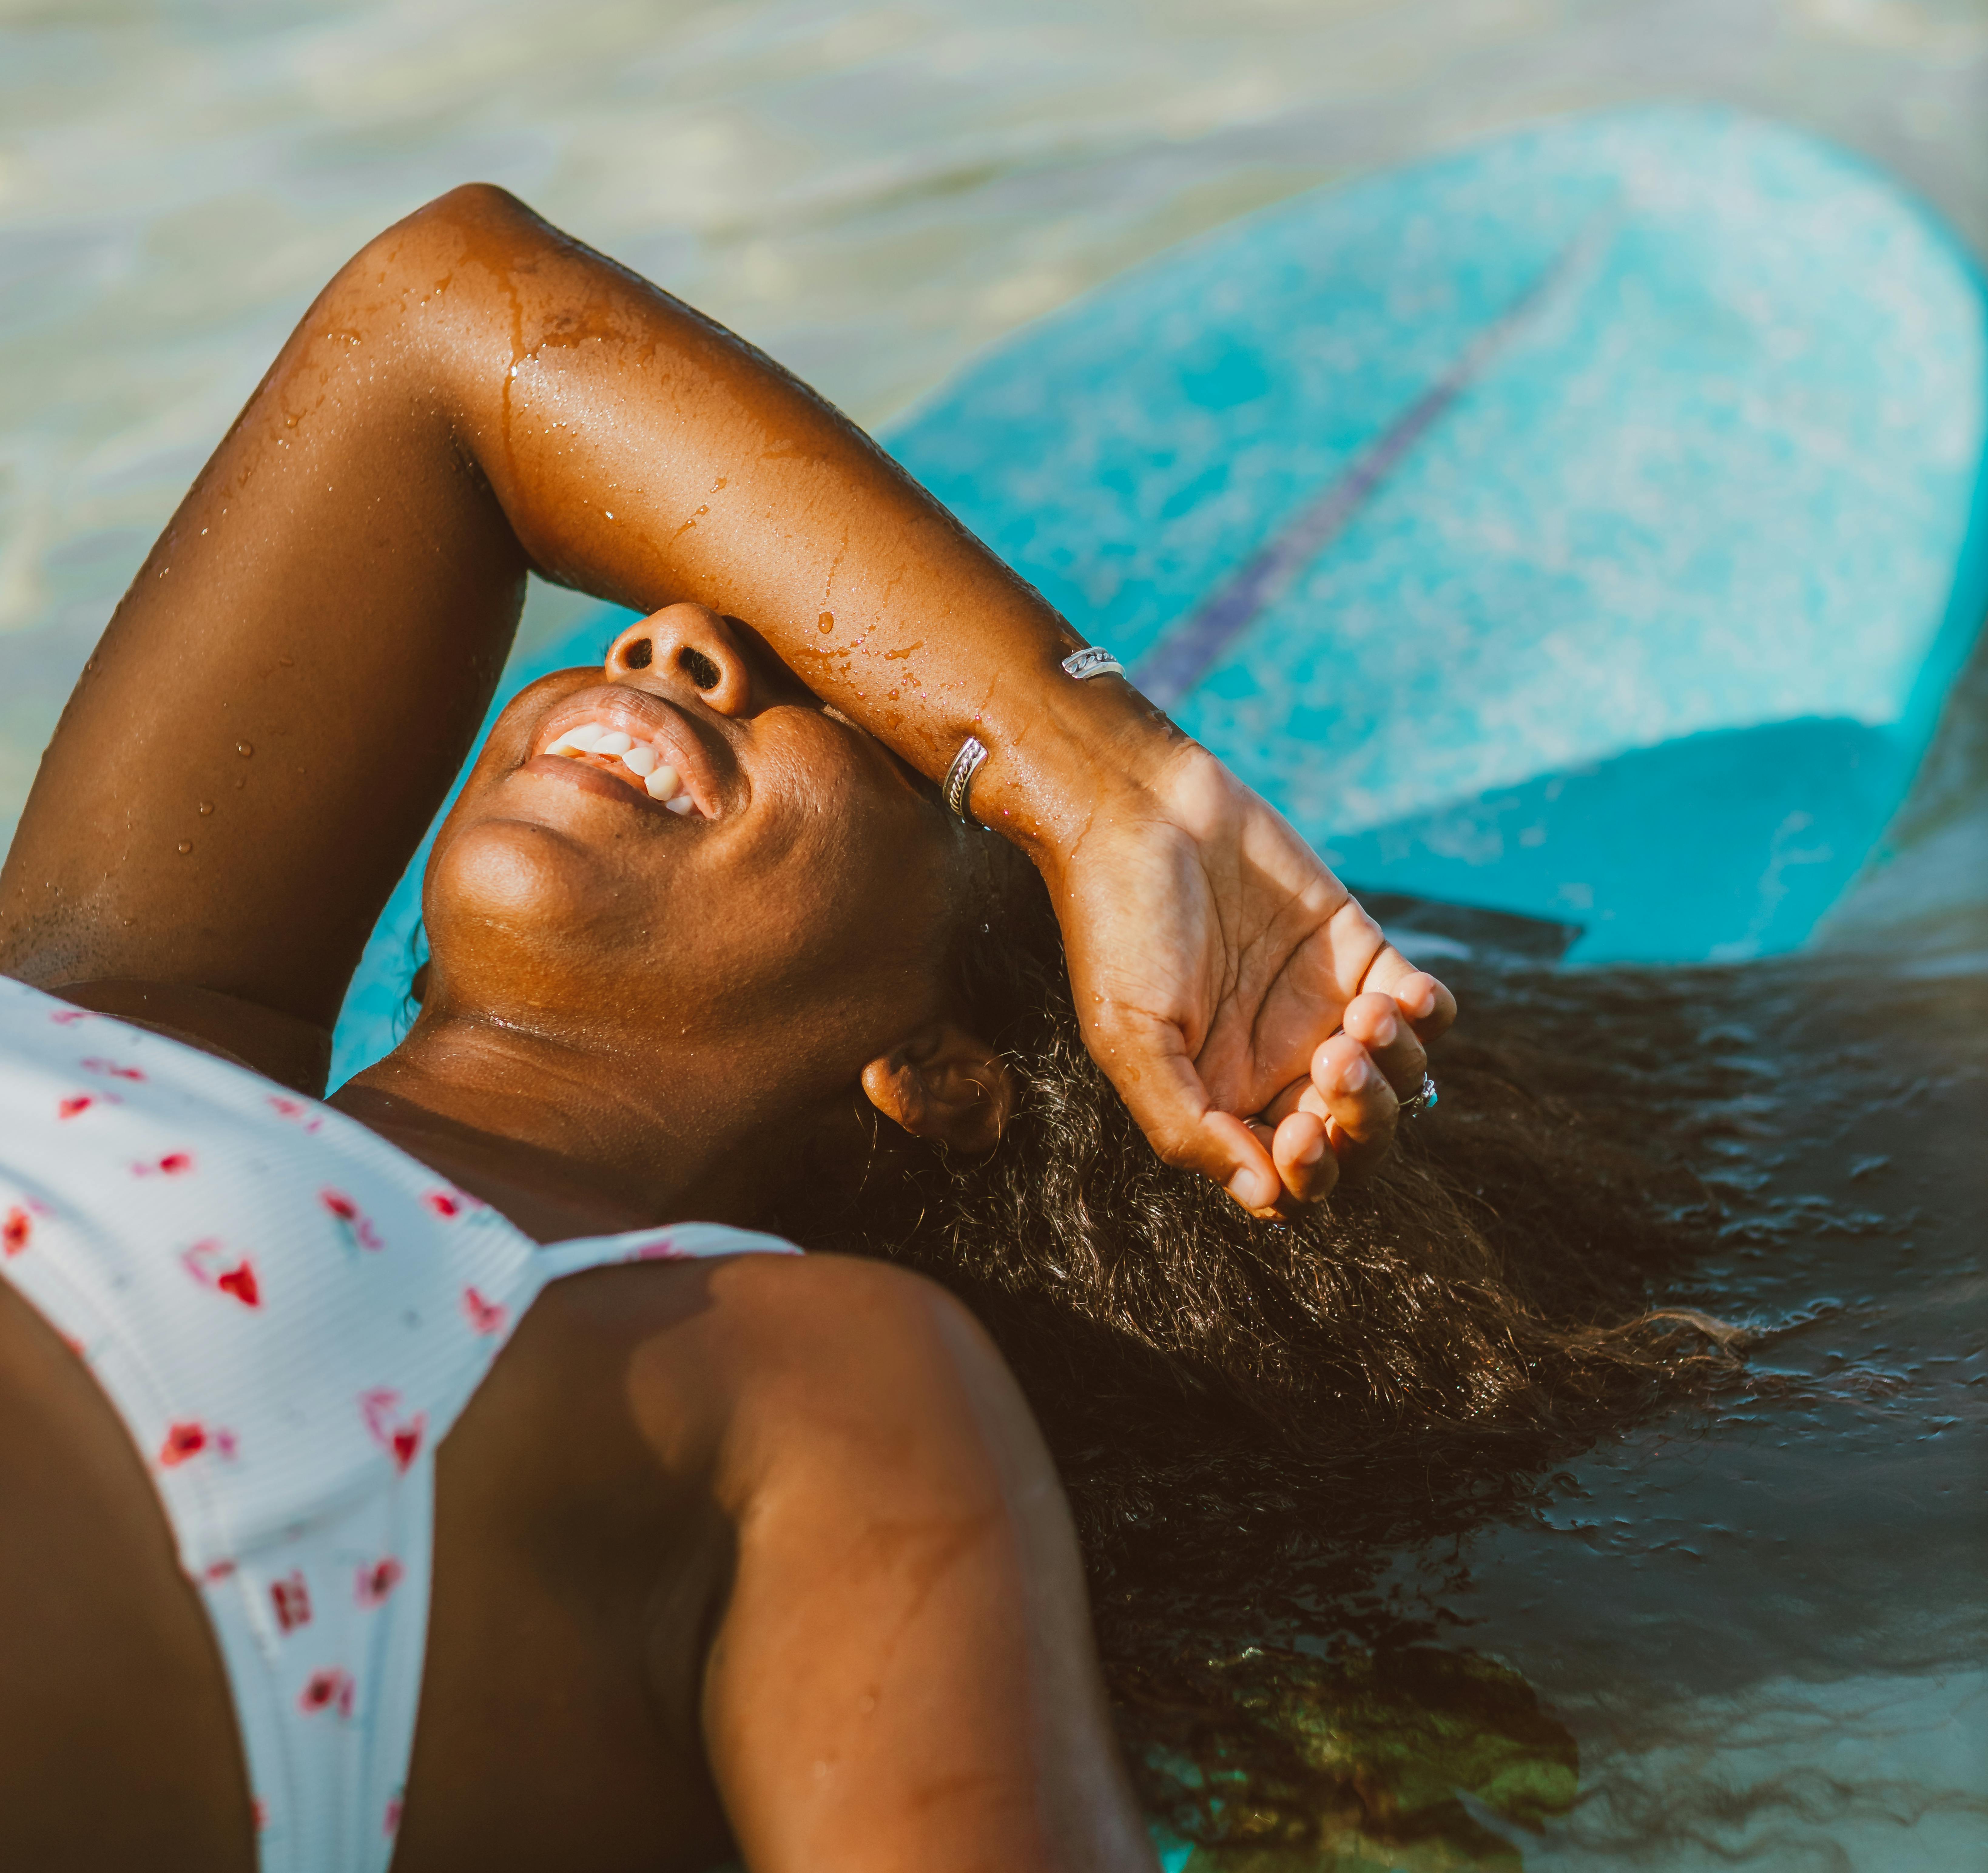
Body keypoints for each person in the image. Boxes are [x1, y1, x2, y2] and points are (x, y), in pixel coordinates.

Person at [0, 183, 1459, 1873]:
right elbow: (448, 315)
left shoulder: (795, 1393)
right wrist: (1105, 781)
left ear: (947, 1076)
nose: (674, 633)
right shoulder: (133, 1009)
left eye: (849, 709)